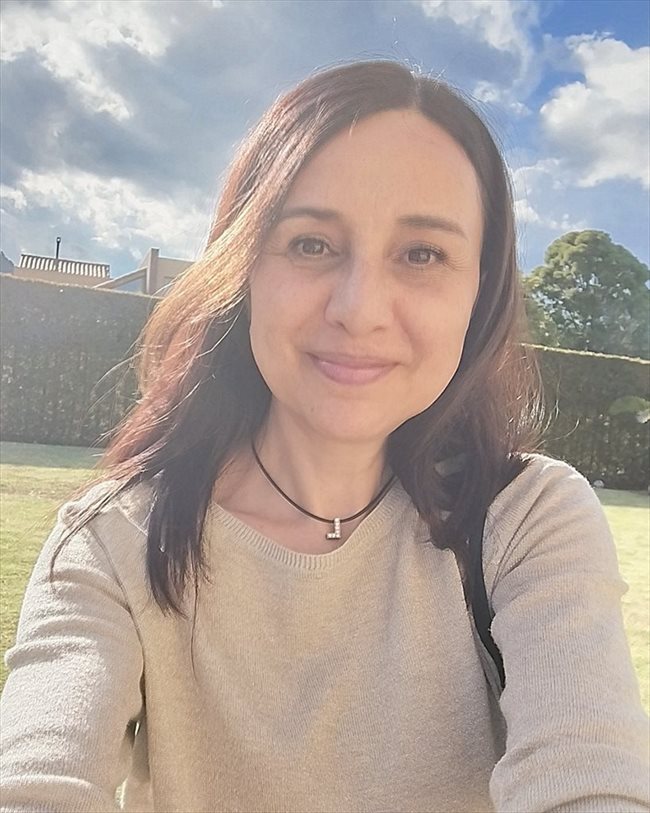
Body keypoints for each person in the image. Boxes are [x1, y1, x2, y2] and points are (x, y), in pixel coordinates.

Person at [1, 60, 648, 813]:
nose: (359, 308)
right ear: (243, 269)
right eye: (311, 244)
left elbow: (589, 777)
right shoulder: (114, 538)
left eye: (422, 253)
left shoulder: (528, 519)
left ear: (480, 292)